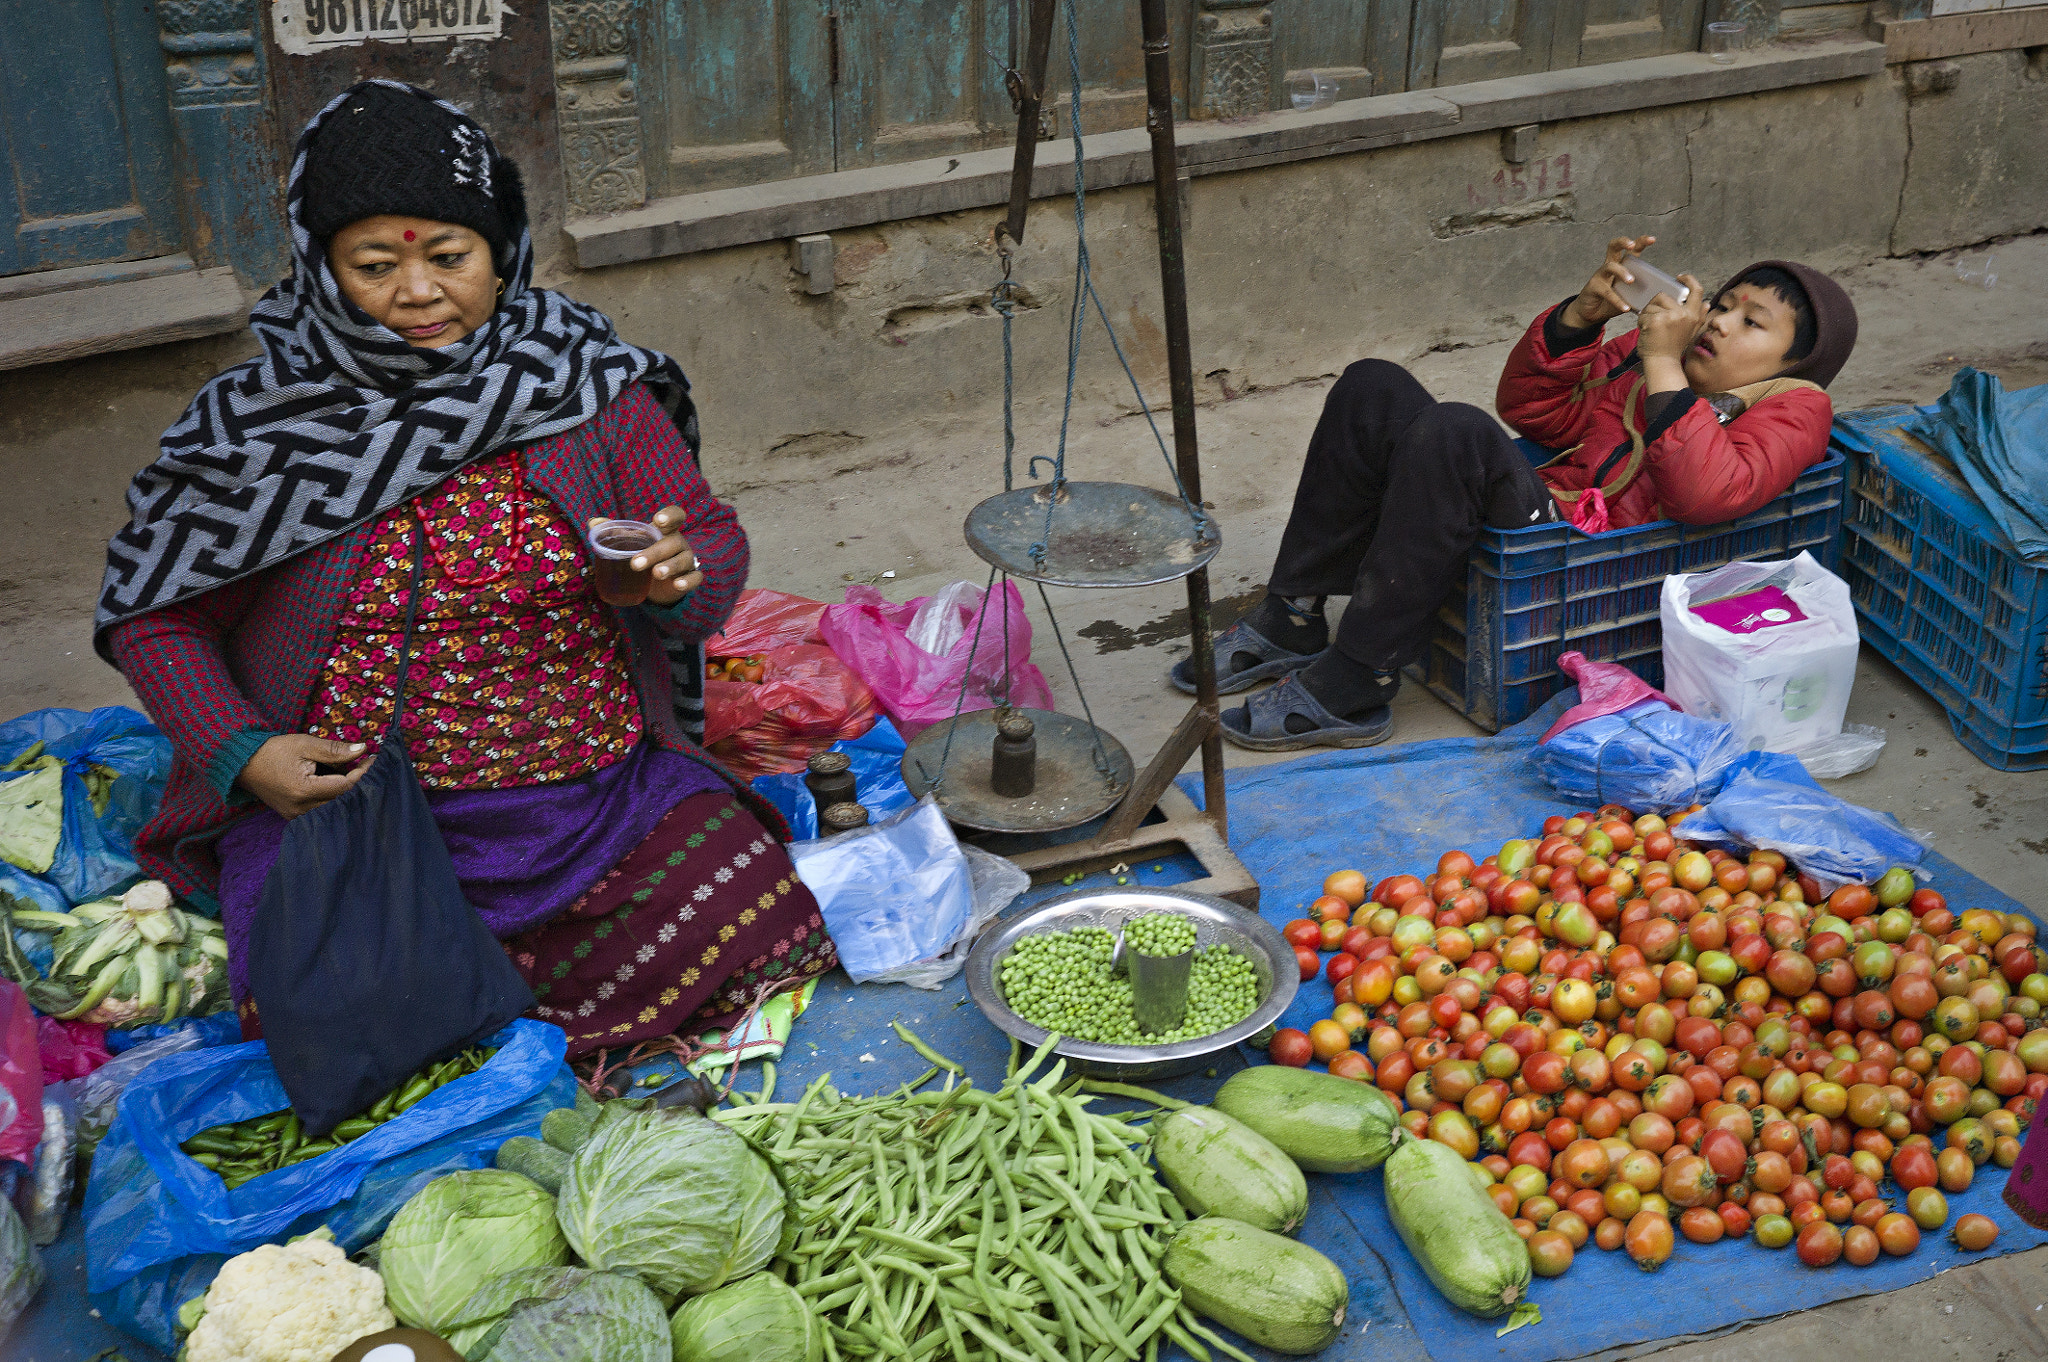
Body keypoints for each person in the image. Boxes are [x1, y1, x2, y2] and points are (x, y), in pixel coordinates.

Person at [96, 81, 836, 1058]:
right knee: (323, 1006)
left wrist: (676, 577)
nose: (416, 294)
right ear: (321, 271)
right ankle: (459, 1008)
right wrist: (243, 753)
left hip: (591, 804)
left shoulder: (582, 385)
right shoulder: (261, 424)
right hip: (361, 819)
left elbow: (703, 534)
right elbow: (157, 616)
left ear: (503, 256)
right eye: (372, 267)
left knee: (750, 906)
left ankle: (476, 1016)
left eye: (450, 258)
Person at [1175, 235, 1859, 750]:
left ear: (1794, 366)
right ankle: (1295, 611)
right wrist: (1582, 318)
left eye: (1753, 323)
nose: (1718, 324)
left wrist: (1661, 367)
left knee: (1456, 433)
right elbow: (1535, 412)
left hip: (1596, 559)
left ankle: (1361, 673)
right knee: (1373, 386)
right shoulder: (1652, 356)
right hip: (1555, 505)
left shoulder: (1795, 409)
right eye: (1724, 306)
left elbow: (1706, 497)